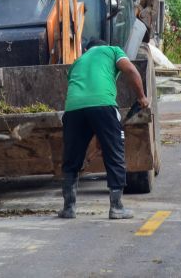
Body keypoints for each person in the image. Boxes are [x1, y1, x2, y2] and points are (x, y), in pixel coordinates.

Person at [58, 39, 150, 220]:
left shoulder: (78, 61)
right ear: (103, 45)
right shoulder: (113, 50)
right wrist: (141, 97)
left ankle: (69, 208)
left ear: (86, 49)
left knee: (71, 159)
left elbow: (79, 91)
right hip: (103, 105)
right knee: (115, 155)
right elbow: (131, 70)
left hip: (73, 109)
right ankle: (116, 207)